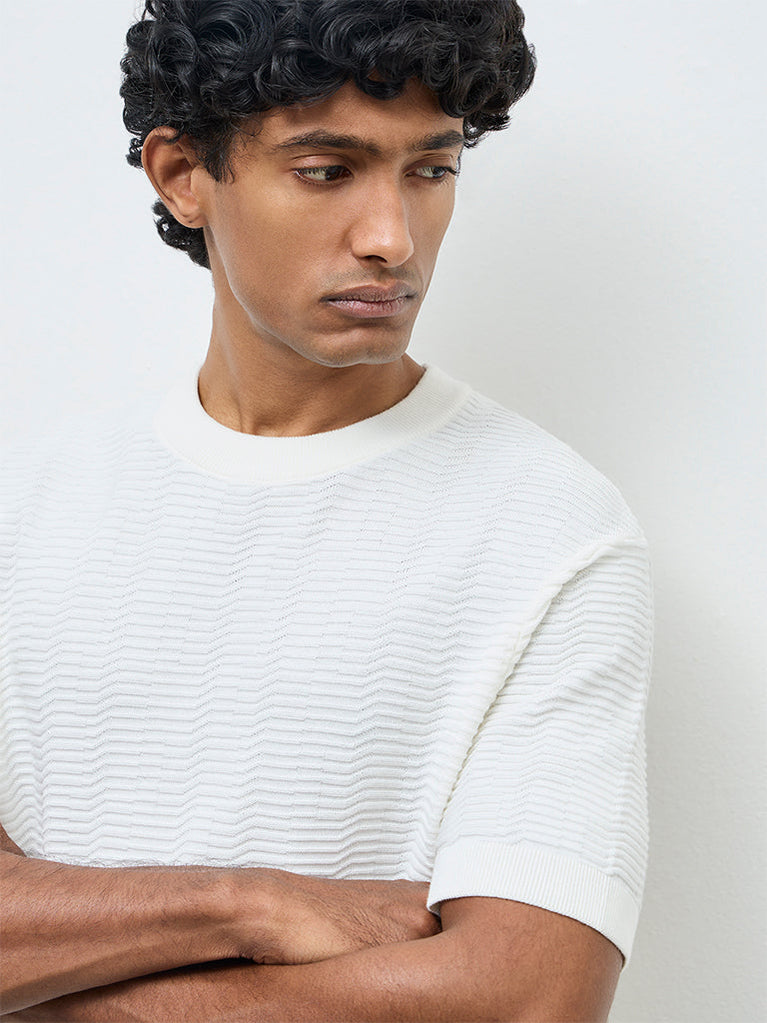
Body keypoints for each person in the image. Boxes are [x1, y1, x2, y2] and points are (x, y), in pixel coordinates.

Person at [0, 1, 653, 1020]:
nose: (391, 238)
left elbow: (527, 996)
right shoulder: (29, 507)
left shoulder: (551, 530)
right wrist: (249, 904)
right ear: (182, 174)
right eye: (325, 170)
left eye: (430, 169)